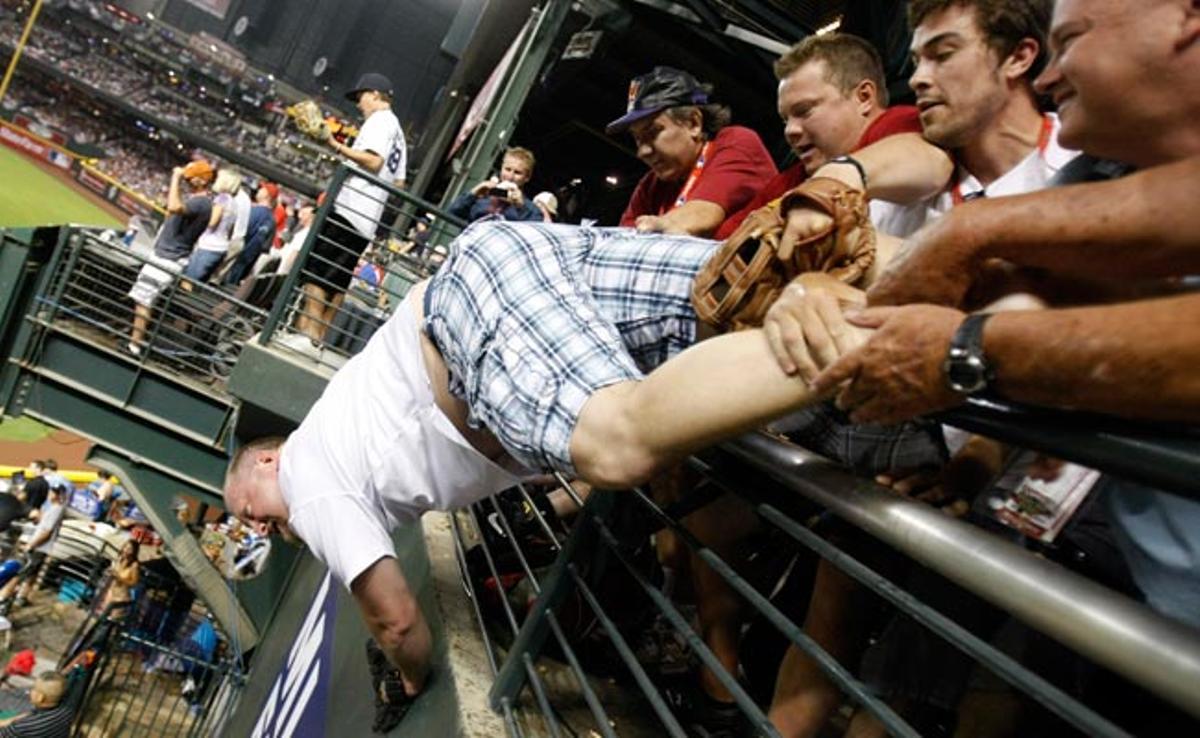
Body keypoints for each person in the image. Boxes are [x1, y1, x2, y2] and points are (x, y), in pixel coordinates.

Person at [223, 209, 884, 709]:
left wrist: (410, 676)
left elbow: (396, 619)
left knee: (616, 442)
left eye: (246, 509)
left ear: (268, 463)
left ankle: (923, 340)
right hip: (514, 270)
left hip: (478, 311)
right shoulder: (332, 433)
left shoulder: (307, 480)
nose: (254, 527)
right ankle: (952, 317)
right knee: (764, 287)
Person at [295, 73, 406, 342]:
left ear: (376, 95)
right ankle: (318, 338)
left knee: (316, 271)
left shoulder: (380, 121)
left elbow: (373, 162)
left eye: (361, 97)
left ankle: (309, 335)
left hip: (350, 209)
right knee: (337, 281)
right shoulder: (398, 131)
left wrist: (334, 144)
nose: (359, 104)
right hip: (368, 217)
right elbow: (400, 184)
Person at [608, 66, 777, 237]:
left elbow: (702, 214)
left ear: (693, 123)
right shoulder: (651, 184)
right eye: (637, 139)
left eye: (652, 132)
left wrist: (658, 227)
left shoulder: (735, 142)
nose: (642, 151)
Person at [128, 159, 215, 357]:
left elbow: (174, 206)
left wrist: (175, 177)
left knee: (143, 301)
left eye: (191, 178)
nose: (187, 181)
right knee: (144, 300)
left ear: (202, 181)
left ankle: (134, 346)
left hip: (168, 258)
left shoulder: (201, 202)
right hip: (168, 255)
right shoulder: (200, 201)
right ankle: (137, 341)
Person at [0, 484, 65, 611]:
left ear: (58, 495)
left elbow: (46, 531)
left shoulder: (56, 509)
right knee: (25, 574)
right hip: (36, 547)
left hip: (38, 548)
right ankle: (12, 598)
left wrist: (30, 545)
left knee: (20, 574)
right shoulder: (51, 508)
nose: (50, 495)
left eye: (52, 492)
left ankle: (6, 599)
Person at [448, 147, 541, 223]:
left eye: (517, 173)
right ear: (501, 169)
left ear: (527, 177)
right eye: (507, 169)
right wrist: (473, 193)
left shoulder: (531, 209)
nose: (510, 176)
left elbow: (534, 232)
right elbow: (453, 212)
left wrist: (521, 207)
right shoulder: (484, 194)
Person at [182, 168, 241, 283]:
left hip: (209, 246)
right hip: (221, 247)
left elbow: (212, 222)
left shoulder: (222, 199)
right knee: (197, 281)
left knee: (188, 281)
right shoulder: (234, 203)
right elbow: (231, 231)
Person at [0, 670, 72, 737]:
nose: (30, 691)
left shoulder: (22, 727)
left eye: (33, 688)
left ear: (39, 697)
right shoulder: (66, 709)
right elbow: (30, 714)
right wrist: (9, 721)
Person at [100, 538, 140, 616]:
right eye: (125, 547)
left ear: (134, 551)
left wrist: (119, 578)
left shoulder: (134, 565)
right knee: (102, 617)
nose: (126, 550)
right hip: (111, 592)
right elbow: (114, 571)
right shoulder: (119, 558)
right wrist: (109, 571)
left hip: (121, 598)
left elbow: (134, 583)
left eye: (130, 549)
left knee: (112, 619)